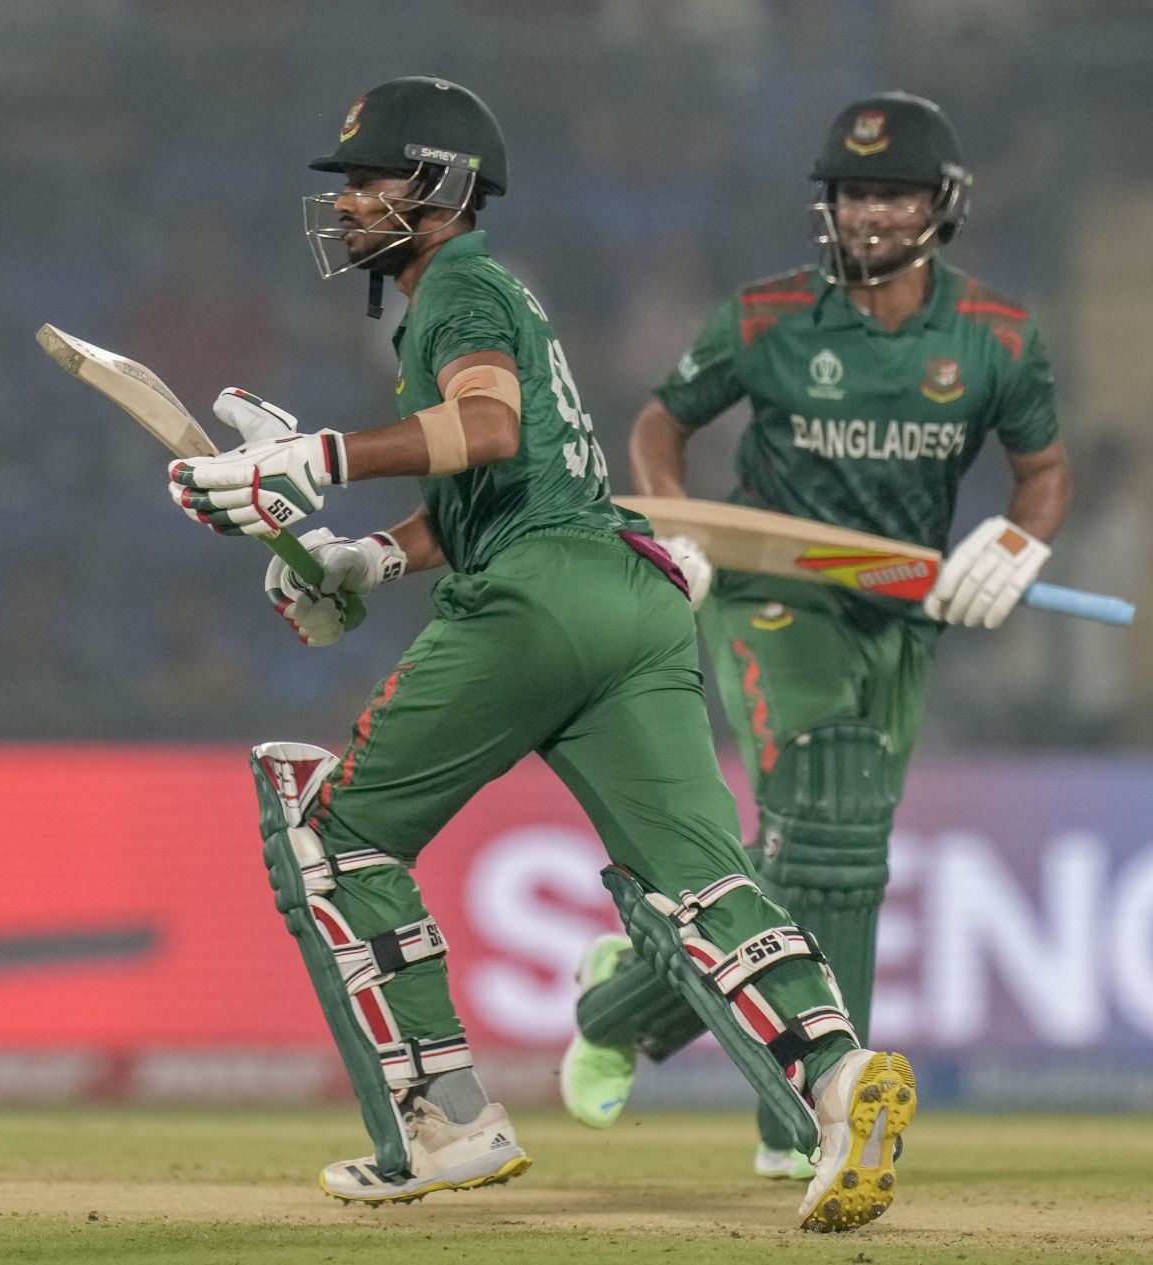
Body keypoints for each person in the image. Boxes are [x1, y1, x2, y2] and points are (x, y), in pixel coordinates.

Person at [164, 76, 913, 1233]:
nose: (354, 200)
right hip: (631, 596)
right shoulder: (492, 291)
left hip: (538, 601)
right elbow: (512, 486)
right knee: (701, 880)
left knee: (334, 836)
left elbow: (490, 428)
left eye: (376, 178)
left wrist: (318, 458)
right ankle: (832, 1074)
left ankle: (447, 1120)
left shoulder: (457, 284)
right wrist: (368, 558)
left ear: (446, 187)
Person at [560, 91, 1072, 1182]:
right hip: (771, 594)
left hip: (902, 611)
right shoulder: (768, 316)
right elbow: (661, 424)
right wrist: (678, 528)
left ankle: (623, 995)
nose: (870, 215)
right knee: (825, 801)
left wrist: (1021, 544)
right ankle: (805, 1112)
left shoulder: (995, 339)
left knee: (827, 859)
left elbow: (1044, 474)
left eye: (892, 194)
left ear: (943, 205)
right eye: (851, 194)